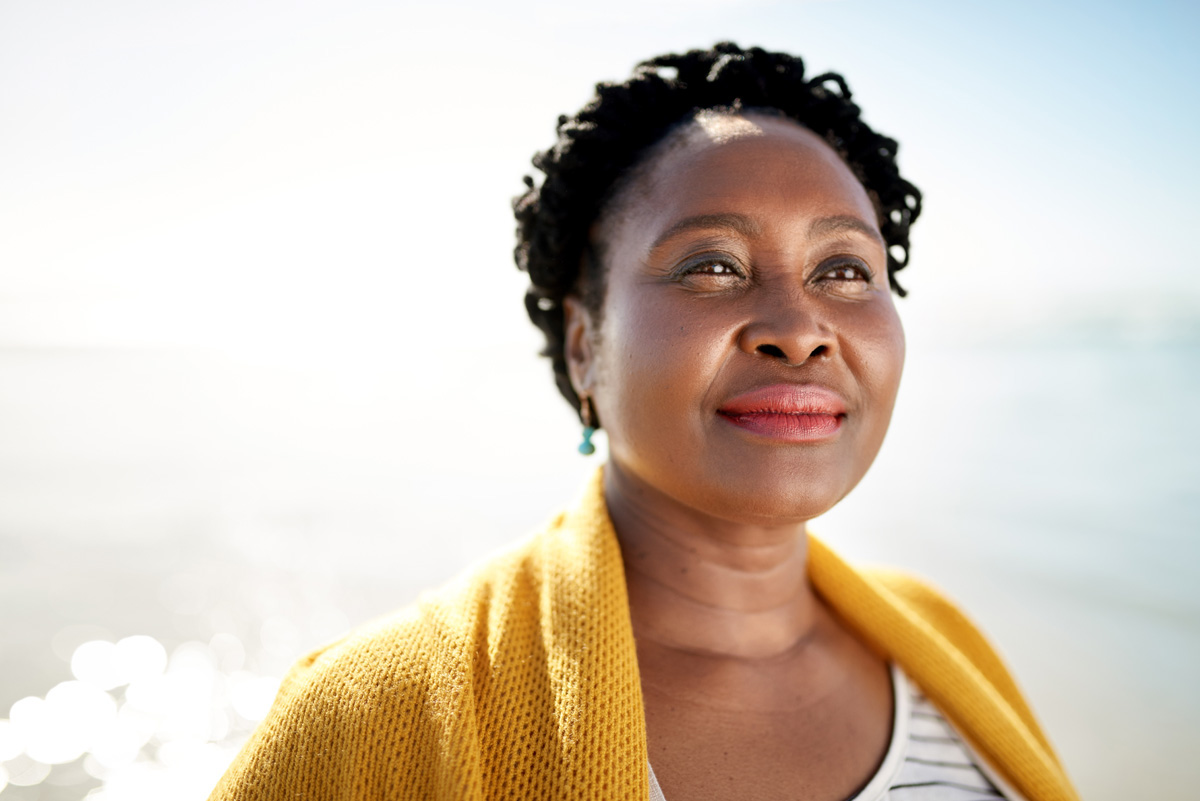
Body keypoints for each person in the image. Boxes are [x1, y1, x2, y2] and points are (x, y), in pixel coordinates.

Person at [209, 43, 1080, 801]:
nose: (799, 327)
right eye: (713, 264)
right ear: (584, 344)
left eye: (845, 270)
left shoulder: (943, 638)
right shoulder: (376, 711)